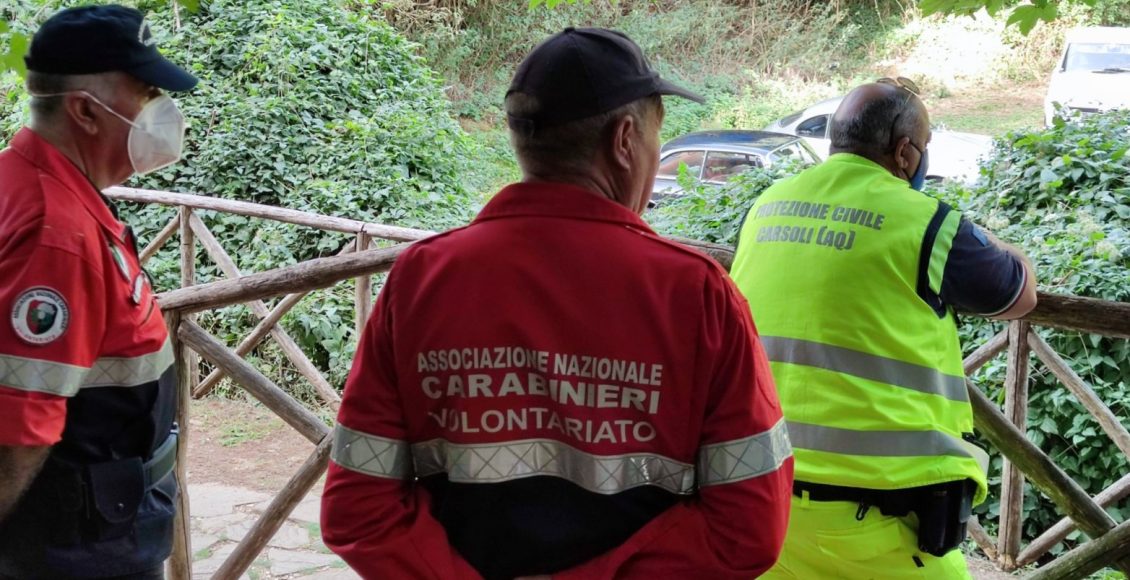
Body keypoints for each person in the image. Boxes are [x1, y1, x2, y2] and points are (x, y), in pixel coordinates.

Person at [321, 27, 793, 580]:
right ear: (624, 140)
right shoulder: (698, 295)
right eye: (656, 140)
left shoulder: (420, 279)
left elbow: (359, 510)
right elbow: (749, 529)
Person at [729, 78, 1038, 580]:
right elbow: (1017, 295)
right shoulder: (928, 222)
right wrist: (1002, 243)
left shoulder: (767, 205)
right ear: (905, 153)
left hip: (767, 498)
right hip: (885, 521)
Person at [0, 5, 197, 579]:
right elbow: (19, 424)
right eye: (146, 90)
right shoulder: (54, 231)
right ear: (86, 110)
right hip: (76, 548)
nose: (162, 108)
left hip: (95, 529)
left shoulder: (40, 187)